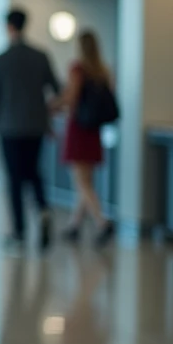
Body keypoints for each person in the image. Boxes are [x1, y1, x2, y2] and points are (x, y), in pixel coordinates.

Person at [0, 9, 61, 251]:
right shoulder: (41, 56)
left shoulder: (0, 59)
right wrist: (44, 112)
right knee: (34, 171)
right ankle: (43, 208)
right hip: (36, 126)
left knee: (14, 179)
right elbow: (56, 89)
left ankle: (19, 232)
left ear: (8, 27)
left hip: (9, 127)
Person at [52, 29, 115, 246]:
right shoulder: (102, 71)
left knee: (81, 182)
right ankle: (75, 225)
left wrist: (52, 106)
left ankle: (101, 221)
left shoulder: (78, 69)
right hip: (93, 131)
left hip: (78, 129)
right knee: (85, 181)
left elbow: (71, 97)